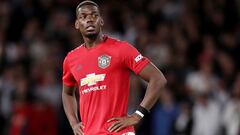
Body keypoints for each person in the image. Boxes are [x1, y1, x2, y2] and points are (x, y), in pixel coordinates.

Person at [62, 1, 167, 135]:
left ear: (101, 21)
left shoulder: (121, 49)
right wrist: (74, 123)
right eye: (83, 16)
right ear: (77, 24)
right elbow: (67, 93)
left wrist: (137, 115)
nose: (89, 19)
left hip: (118, 132)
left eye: (94, 15)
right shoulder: (71, 59)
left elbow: (158, 78)